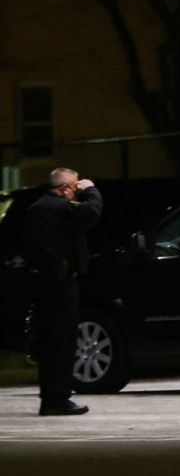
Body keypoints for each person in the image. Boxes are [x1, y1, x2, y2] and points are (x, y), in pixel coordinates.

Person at [23, 167, 103, 416]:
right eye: (75, 186)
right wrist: (91, 190)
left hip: (42, 282)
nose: (76, 191)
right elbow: (92, 213)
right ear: (66, 188)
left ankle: (50, 396)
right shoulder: (58, 208)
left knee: (48, 342)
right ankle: (58, 398)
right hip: (60, 283)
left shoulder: (35, 208)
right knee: (62, 340)